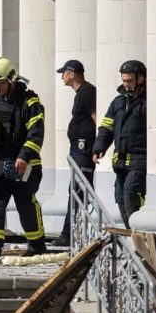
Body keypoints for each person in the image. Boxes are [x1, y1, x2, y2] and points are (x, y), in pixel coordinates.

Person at [0, 57, 47, 260]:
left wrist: (24, 156)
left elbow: (36, 133)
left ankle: (36, 245)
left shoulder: (30, 102)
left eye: (0, 83)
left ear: (11, 80)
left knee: (26, 203)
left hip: (22, 164)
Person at [92, 60, 147, 228]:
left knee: (131, 194)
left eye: (129, 80)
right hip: (120, 162)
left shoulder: (148, 102)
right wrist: (99, 147)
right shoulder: (118, 102)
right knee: (121, 198)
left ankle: (140, 236)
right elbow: (106, 127)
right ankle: (133, 237)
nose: (125, 84)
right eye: (123, 80)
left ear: (141, 79)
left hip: (138, 161)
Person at [52, 60, 96, 246]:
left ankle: (69, 234)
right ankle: (71, 232)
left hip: (83, 149)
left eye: (64, 73)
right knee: (75, 190)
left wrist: (99, 145)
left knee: (78, 189)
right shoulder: (81, 93)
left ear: (72, 74)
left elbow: (96, 117)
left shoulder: (87, 92)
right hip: (78, 148)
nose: (62, 76)